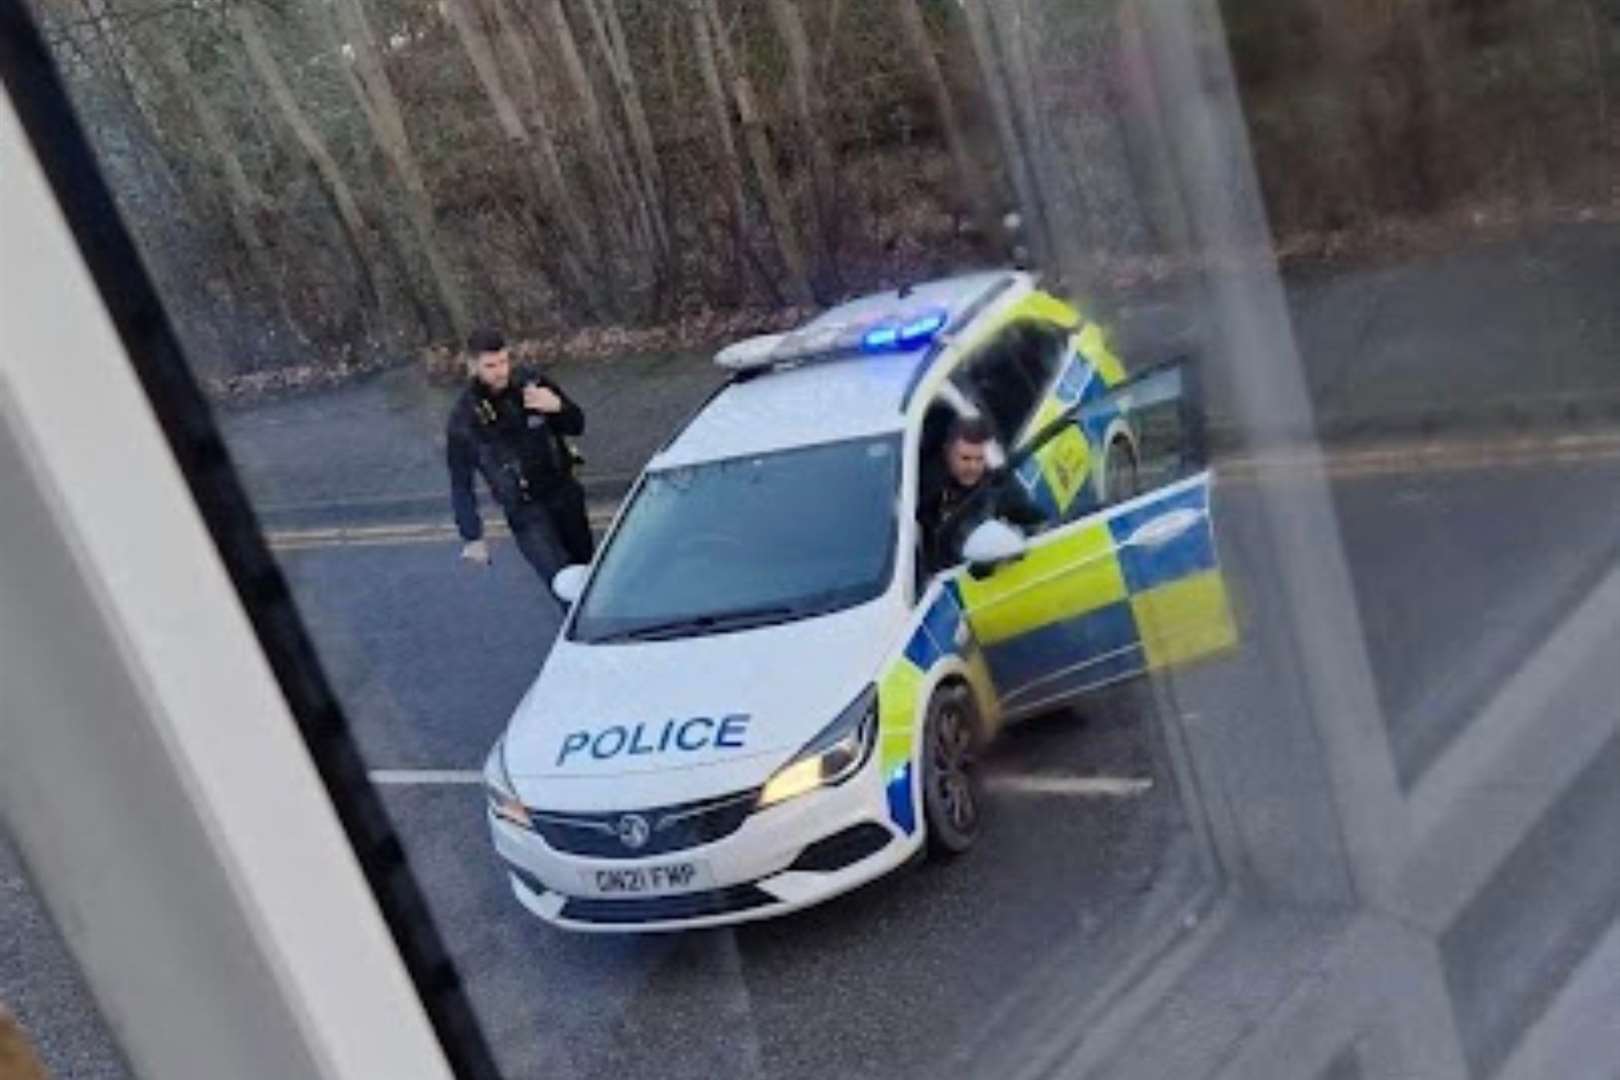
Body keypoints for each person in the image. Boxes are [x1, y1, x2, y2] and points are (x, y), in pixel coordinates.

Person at [446, 327, 594, 593]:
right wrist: (472, 536)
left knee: (591, 577)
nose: (500, 371)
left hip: (565, 494)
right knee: (563, 587)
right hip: (526, 512)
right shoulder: (464, 419)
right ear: (472, 365)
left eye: (504, 361)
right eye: (490, 365)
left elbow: (577, 424)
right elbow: (460, 482)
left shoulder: (531, 383)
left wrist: (558, 407)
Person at [917, 415, 1047, 574]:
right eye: (965, 459)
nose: (973, 467)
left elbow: (1036, 522)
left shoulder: (997, 488)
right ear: (947, 453)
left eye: (979, 459)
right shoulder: (924, 487)